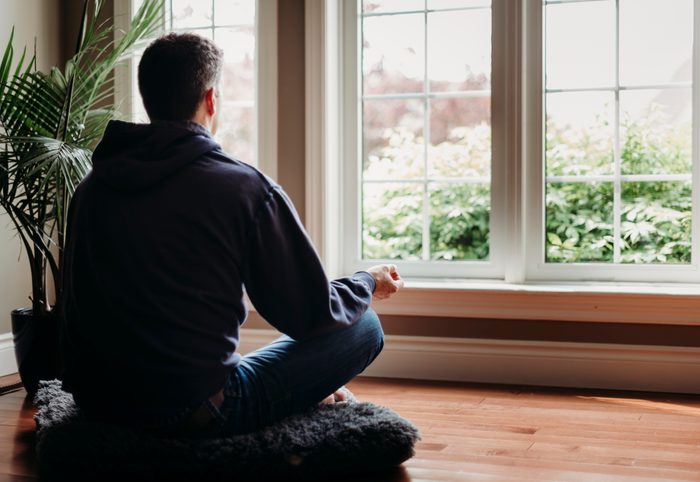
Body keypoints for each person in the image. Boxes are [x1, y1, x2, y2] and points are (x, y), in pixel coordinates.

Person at [60, 32, 403, 438]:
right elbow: (310, 314)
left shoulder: (91, 188)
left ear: (148, 99)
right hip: (194, 411)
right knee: (364, 326)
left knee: (230, 362)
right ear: (211, 99)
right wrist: (367, 280)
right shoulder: (244, 188)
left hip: (98, 405)